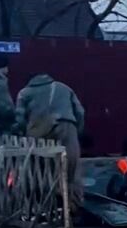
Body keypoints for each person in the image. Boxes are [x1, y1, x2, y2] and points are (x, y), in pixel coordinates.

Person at [14, 72, 86, 208]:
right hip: (66, 125)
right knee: (71, 167)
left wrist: (23, 134)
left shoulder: (25, 93)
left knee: (40, 167)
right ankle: (72, 205)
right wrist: (77, 131)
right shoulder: (63, 88)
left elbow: (19, 118)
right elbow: (80, 112)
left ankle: (44, 204)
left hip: (37, 130)